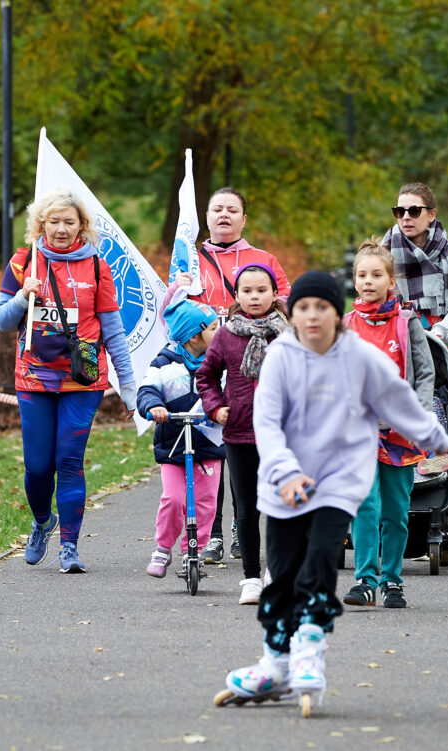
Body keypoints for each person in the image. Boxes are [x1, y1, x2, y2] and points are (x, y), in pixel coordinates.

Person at [216, 271, 448, 710]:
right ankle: (275, 663)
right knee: (282, 573)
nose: (312, 315)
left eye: (322, 307)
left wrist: (431, 435)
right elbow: (266, 422)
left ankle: (309, 648)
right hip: (284, 485)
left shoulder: (358, 357)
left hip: (339, 482)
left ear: (336, 315)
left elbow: (396, 397)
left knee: (320, 561)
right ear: (294, 313)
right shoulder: (281, 356)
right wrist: (285, 474)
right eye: (303, 307)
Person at [0, 188, 136, 573]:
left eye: (68, 222)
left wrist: (129, 386)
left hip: (83, 379)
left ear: (81, 226)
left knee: (69, 462)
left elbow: (114, 331)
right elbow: (2, 321)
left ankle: (70, 548)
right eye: (53, 221)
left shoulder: (96, 267)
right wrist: (24, 296)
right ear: (41, 223)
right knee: (39, 467)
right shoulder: (24, 262)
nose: (60, 228)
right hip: (34, 379)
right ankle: (43, 522)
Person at [166, 186, 291, 563]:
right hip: (206, 360)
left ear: (243, 218)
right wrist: (178, 288)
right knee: (208, 448)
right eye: (216, 209)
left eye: (232, 210)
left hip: (249, 361)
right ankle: (213, 531)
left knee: (242, 444)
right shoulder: (189, 257)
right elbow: (170, 313)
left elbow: (285, 300)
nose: (224, 215)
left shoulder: (262, 258)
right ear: (206, 217)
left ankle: (242, 527)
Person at [342, 239, 440, 609]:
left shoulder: (406, 322)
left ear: (391, 282)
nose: (368, 281)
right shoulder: (347, 324)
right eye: (362, 274)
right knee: (365, 505)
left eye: (376, 274)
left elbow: (425, 371)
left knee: (396, 512)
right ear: (355, 281)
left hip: (400, 434)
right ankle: (365, 580)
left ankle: (392, 581)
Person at [196, 263, 289, 604]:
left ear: (274, 294)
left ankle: (275, 570)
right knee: (247, 509)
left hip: (282, 434)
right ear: (236, 296)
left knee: (280, 506)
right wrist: (215, 407)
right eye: (247, 291)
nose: (254, 297)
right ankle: (251, 577)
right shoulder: (226, 335)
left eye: (261, 290)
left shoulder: (289, 333)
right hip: (239, 434)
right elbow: (205, 377)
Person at [384, 182, 448, 473]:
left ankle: (435, 458)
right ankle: (406, 462)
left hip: (440, 341)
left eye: (414, 210)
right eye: (400, 211)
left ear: (431, 214)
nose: (406, 217)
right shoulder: (383, 254)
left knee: (442, 399)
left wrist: (435, 336)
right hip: (396, 339)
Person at [136, 298, 223, 577]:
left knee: (206, 501)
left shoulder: (219, 362)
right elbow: (147, 389)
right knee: (174, 499)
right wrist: (154, 406)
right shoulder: (164, 363)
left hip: (209, 443)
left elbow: (230, 389)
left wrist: (224, 409)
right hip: (174, 443)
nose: (218, 332)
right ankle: (163, 548)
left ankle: (194, 548)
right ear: (194, 335)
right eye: (212, 327)